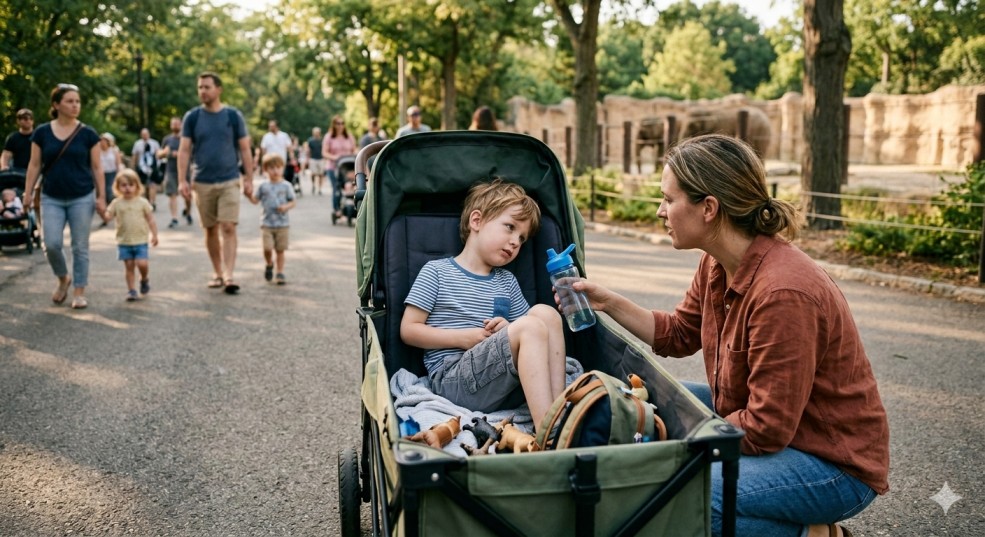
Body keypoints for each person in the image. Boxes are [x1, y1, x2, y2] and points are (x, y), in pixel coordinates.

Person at [567, 134, 889, 537]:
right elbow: (679, 334)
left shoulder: (783, 293)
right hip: (767, 426)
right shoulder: (717, 263)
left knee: (684, 493)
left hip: (831, 463)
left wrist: (675, 452)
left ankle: (818, 535)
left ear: (709, 208)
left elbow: (765, 428)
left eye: (669, 199)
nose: (659, 211)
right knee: (645, 397)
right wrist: (607, 301)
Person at [400, 179, 566, 430]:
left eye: (522, 238)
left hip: (501, 381)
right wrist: (463, 338)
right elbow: (409, 330)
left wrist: (507, 329)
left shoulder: (507, 281)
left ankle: (557, 409)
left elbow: (530, 332)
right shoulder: (436, 272)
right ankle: (549, 430)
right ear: (476, 221)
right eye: (509, 228)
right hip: (453, 379)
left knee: (546, 314)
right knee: (530, 327)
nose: (515, 242)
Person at [23, 83, 106, 310]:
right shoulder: (41, 132)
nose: (75, 105)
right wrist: (27, 193)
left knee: (80, 246)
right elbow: (34, 164)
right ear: (56, 104)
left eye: (77, 101)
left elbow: (97, 168)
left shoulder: (88, 134)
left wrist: (101, 197)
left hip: (82, 196)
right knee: (51, 244)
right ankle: (63, 278)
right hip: (51, 196)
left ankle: (79, 290)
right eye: (69, 101)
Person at [177, 71, 254, 295]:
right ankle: (217, 272)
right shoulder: (192, 117)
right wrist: (182, 180)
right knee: (210, 230)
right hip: (202, 182)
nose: (203, 91)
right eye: (200, 87)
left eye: (207, 87)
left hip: (229, 179)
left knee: (228, 227)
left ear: (218, 89)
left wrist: (248, 178)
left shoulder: (232, 116)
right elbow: (183, 150)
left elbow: (245, 148)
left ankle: (229, 275)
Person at [104, 169, 159, 301]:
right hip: (124, 241)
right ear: (118, 187)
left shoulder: (142, 202)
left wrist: (155, 235)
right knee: (129, 267)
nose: (127, 188)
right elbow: (108, 217)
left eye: (130, 185)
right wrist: (102, 210)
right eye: (123, 185)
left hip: (140, 240)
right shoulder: (116, 203)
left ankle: (144, 278)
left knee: (142, 264)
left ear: (137, 186)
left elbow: (150, 219)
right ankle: (131, 290)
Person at [247, 153, 296, 285]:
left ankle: (280, 272)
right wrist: (248, 195)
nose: (275, 171)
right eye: (272, 168)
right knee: (267, 248)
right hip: (266, 224)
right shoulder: (263, 186)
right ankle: (269, 264)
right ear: (265, 169)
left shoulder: (286, 185)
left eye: (278, 167)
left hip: (282, 224)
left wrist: (286, 206)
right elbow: (255, 200)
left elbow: (293, 202)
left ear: (283, 168)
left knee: (280, 250)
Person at [158, 116, 193, 229]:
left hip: (185, 170)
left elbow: (193, 154)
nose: (175, 126)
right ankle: (174, 218)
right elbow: (159, 155)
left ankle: (188, 212)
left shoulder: (187, 138)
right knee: (172, 194)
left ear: (181, 125)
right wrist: (165, 152)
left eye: (177, 123)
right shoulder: (167, 139)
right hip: (171, 170)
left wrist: (180, 155)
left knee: (187, 196)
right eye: (173, 124)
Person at [321, 115, 356, 221]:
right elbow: (324, 152)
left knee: (350, 186)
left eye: (342, 123)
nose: (340, 126)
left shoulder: (349, 136)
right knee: (337, 188)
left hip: (347, 166)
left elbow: (354, 149)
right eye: (338, 123)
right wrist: (335, 157)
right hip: (334, 167)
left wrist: (355, 154)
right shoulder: (329, 137)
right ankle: (337, 209)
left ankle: (352, 206)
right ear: (334, 125)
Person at [131, 128, 161, 210]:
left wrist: (157, 165)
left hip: (152, 166)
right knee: (142, 185)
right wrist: (133, 167)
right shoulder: (138, 144)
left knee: (152, 185)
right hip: (141, 167)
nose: (145, 136)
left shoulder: (154, 143)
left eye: (146, 134)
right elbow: (135, 156)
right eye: (143, 134)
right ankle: (144, 202)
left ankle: (152, 202)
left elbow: (158, 154)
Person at [98, 133, 123, 207]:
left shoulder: (114, 150)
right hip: (102, 173)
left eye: (104, 141)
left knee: (110, 189)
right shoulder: (98, 150)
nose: (102, 142)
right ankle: (105, 205)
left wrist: (120, 172)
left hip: (112, 172)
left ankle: (112, 205)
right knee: (102, 189)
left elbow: (118, 163)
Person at [305, 127, 325, 195]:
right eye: (315, 132)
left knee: (321, 174)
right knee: (313, 174)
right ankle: (313, 185)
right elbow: (308, 150)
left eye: (317, 132)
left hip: (321, 159)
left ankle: (320, 188)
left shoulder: (322, 140)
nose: (316, 134)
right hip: (313, 159)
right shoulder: (310, 140)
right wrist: (307, 159)